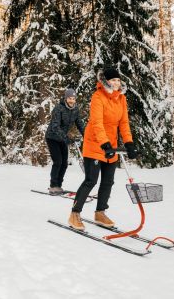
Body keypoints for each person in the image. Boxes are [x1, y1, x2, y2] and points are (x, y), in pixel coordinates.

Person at [68, 68, 138, 230]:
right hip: (95, 144)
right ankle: (74, 214)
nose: (116, 83)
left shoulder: (121, 99)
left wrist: (129, 143)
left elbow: (124, 123)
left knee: (108, 181)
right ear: (106, 82)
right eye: (113, 80)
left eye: (118, 80)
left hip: (110, 146)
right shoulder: (98, 97)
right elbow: (97, 123)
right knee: (91, 180)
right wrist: (104, 144)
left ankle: (100, 212)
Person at [45, 88, 85, 195]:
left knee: (64, 164)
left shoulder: (75, 110)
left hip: (62, 138)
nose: (72, 100)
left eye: (73, 98)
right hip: (52, 137)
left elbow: (80, 124)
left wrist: (86, 135)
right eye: (69, 98)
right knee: (58, 161)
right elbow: (55, 127)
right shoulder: (59, 109)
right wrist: (66, 138)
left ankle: (59, 185)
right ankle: (53, 186)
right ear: (66, 98)